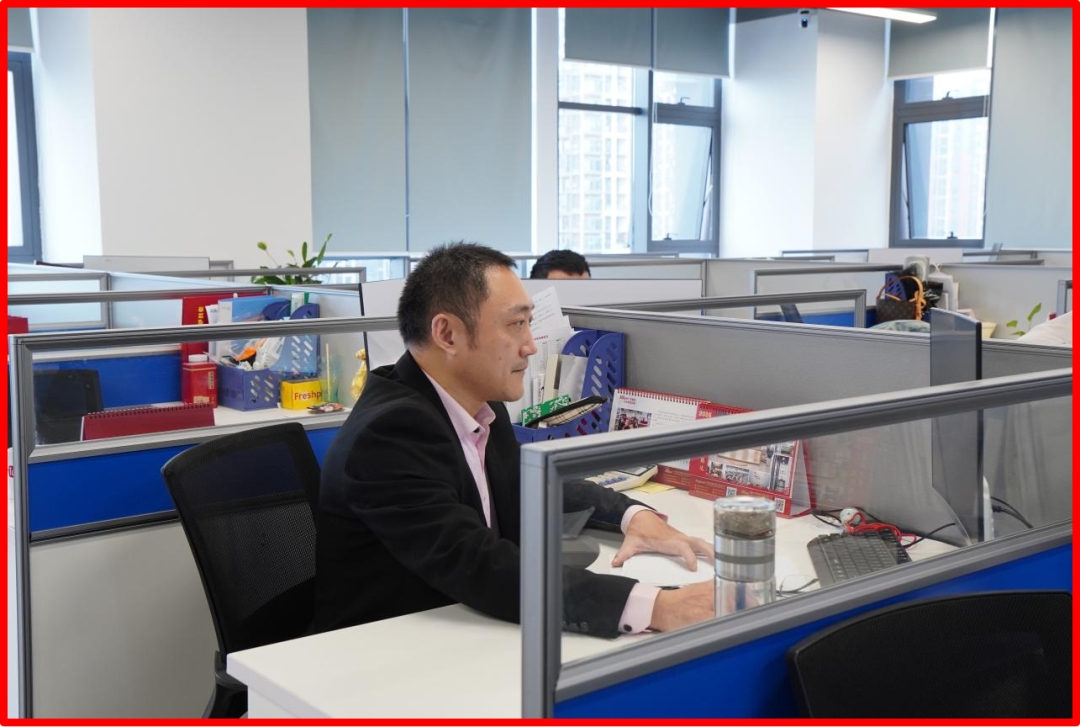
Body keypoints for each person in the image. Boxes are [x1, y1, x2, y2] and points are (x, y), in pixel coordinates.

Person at [315, 242, 713, 638]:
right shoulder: (390, 433)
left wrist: (633, 516)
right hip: (386, 648)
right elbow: (477, 564)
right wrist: (656, 606)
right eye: (515, 324)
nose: (531, 345)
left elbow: (530, 482)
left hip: (464, 627)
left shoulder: (477, 403)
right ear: (447, 334)